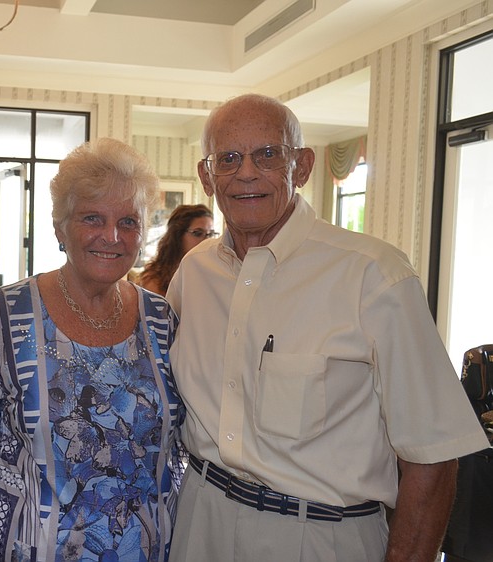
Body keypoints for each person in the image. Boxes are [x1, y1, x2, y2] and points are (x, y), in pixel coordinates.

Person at [166, 93, 489, 562]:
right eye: (228, 158)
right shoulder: (195, 273)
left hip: (320, 537)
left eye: (268, 154)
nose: (247, 172)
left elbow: (435, 456)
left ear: (302, 166)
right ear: (206, 176)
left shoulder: (373, 275)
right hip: (200, 520)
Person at [0, 138, 185, 562]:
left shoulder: (162, 321)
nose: (111, 236)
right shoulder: (6, 314)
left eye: (128, 222)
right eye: (93, 218)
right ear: (59, 227)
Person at [138, 203, 215, 295]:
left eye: (210, 234)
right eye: (197, 233)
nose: (206, 240)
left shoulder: (213, 271)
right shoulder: (155, 279)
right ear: (178, 235)